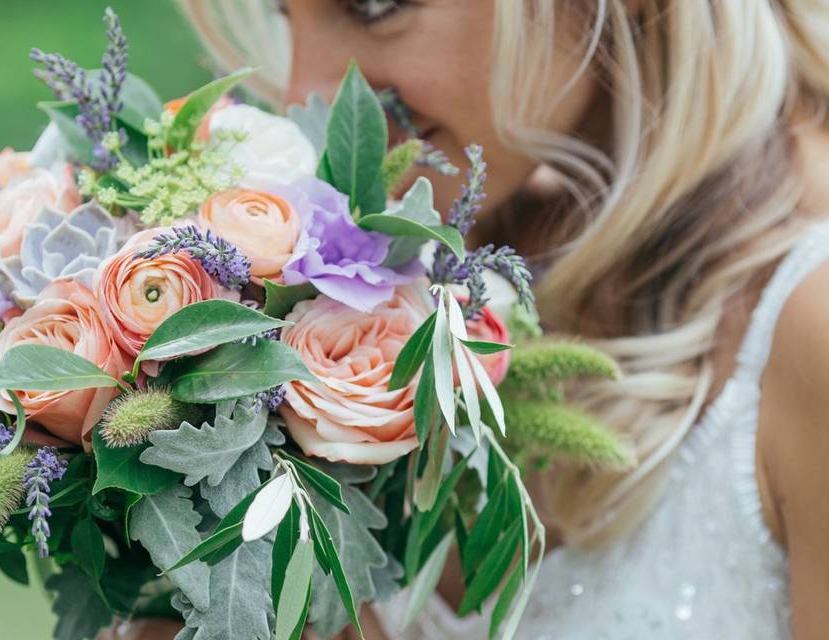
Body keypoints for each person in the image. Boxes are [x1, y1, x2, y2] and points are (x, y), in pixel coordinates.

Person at [115, 1, 829, 638]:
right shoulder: (398, 271)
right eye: (283, 15)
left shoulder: (808, 321)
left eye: (373, 6)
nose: (306, 91)